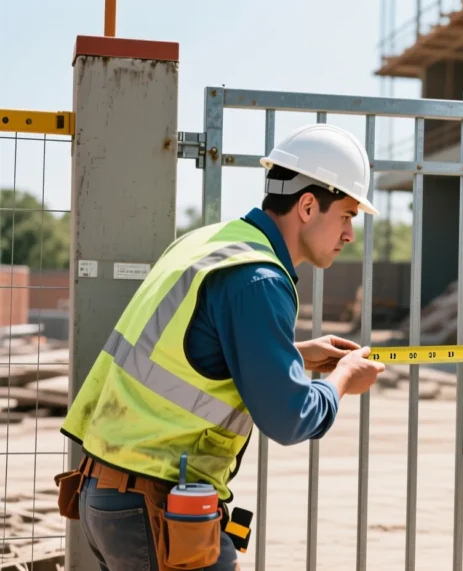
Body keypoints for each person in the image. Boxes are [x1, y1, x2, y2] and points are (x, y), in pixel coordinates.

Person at [54, 123, 386, 570]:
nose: (349, 234)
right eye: (347, 216)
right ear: (308, 205)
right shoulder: (259, 278)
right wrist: (343, 380)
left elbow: (191, 353)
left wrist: (295, 354)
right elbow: (290, 419)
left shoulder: (211, 244)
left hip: (108, 492)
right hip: (153, 504)